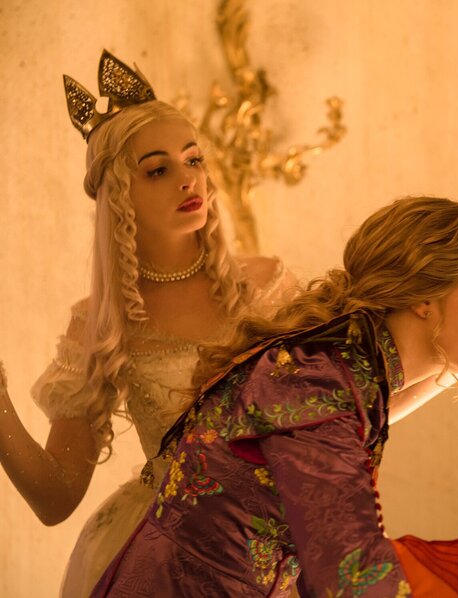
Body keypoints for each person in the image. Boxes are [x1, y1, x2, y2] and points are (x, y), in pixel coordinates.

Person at [92, 196, 458, 597]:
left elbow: (363, 425)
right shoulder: (313, 384)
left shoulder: (340, 370)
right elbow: (356, 578)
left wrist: (451, 369)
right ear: (425, 298)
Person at [0, 51, 296, 597]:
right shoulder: (99, 326)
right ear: (118, 196)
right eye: (158, 169)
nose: (189, 180)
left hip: (282, 554)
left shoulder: (266, 288)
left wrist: (443, 365)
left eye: (193, 160)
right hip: (169, 563)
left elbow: (343, 411)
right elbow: (56, 496)